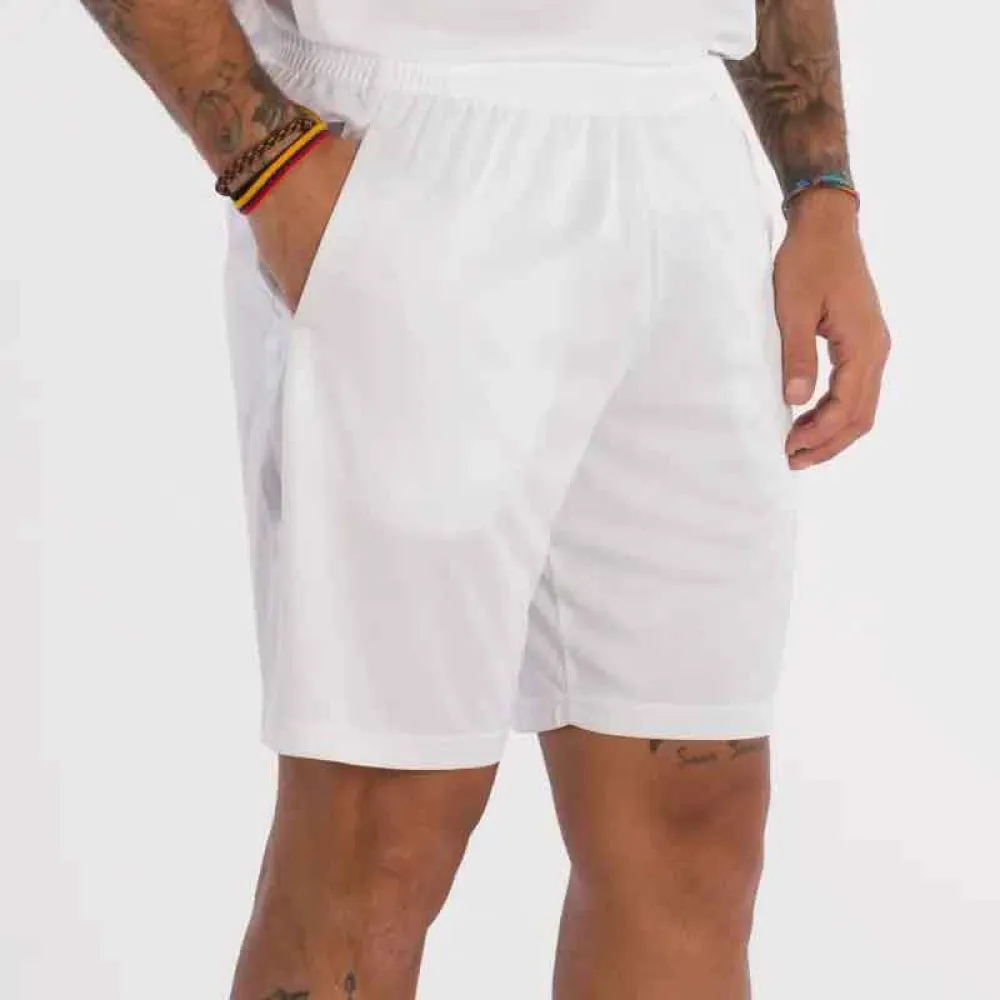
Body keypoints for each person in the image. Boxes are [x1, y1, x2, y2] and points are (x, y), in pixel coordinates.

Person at [80, 0, 891, 996]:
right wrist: (267, 163)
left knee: (694, 823)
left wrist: (820, 186)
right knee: (379, 827)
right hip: (403, 130)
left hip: (686, 166)